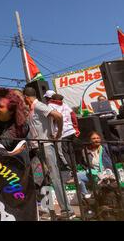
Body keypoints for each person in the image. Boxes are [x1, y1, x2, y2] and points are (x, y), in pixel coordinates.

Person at [23, 87, 75, 219]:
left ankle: (67, 210)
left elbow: (58, 115)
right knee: (41, 178)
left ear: (26, 97)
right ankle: (48, 210)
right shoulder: (31, 109)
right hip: (36, 148)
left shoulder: (39, 105)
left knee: (54, 177)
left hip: (46, 146)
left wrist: (58, 133)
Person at [45, 91, 80, 173]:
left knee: (63, 153)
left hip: (62, 133)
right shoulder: (65, 104)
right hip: (71, 131)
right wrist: (75, 128)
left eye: (46, 98)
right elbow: (73, 116)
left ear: (49, 98)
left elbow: (51, 121)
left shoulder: (50, 106)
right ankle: (75, 168)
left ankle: (73, 171)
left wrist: (53, 133)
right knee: (71, 152)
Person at [76, 131, 117, 198]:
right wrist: (93, 172)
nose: (96, 140)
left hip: (107, 173)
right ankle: (86, 195)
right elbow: (86, 164)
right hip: (94, 174)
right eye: (94, 138)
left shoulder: (104, 147)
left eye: (98, 138)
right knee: (77, 176)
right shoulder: (85, 151)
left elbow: (117, 149)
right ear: (90, 140)